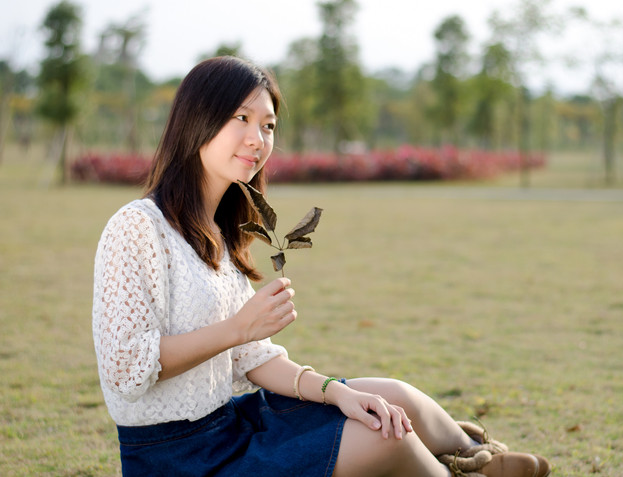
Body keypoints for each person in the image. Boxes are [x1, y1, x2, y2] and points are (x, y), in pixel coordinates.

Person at [92, 56, 551, 477]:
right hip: (176, 458)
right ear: (197, 121)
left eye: (268, 125)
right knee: (386, 437)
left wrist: (337, 391)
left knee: (388, 398)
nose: (258, 139)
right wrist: (237, 329)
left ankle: (476, 456)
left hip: (232, 425)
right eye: (242, 119)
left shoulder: (219, 233)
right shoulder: (137, 229)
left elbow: (254, 358)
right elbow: (126, 367)